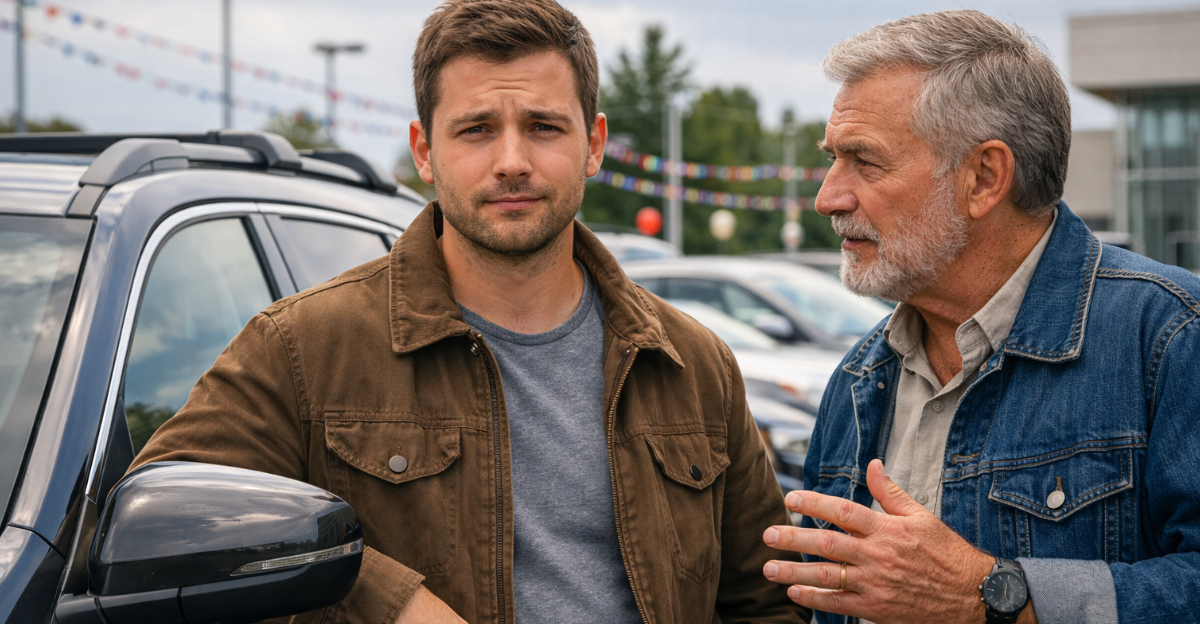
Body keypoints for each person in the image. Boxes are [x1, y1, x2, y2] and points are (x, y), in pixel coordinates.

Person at [130, 1, 807, 623]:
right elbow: (150, 524)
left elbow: (766, 604)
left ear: (594, 144)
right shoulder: (302, 350)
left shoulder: (695, 365)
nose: (511, 162)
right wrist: (389, 602)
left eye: (543, 127)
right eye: (476, 130)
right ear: (425, 151)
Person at [758, 9, 1200, 624]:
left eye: (864, 160)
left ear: (984, 177)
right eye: (833, 158)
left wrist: (991, 597)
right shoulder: (859, 380)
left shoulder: (1171, 337)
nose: (828, 197)